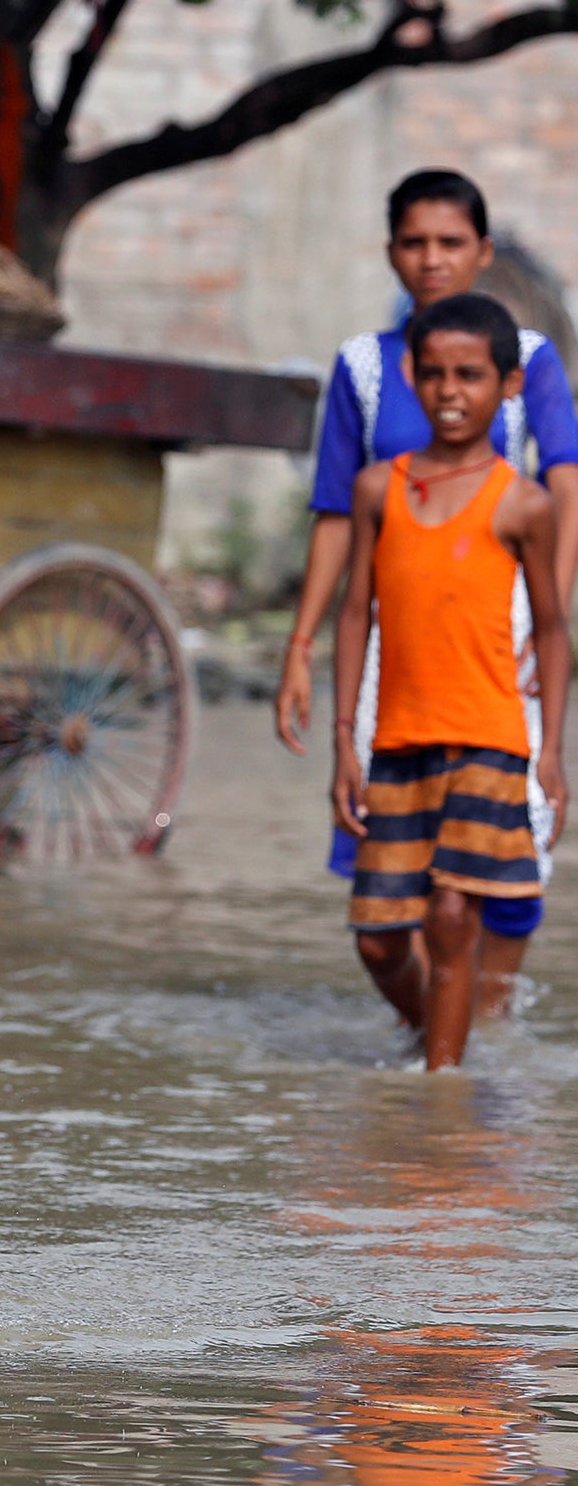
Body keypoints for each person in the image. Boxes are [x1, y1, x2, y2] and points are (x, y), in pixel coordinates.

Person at [277, 169, 578, 1019]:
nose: (432, 260)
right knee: (385, 853)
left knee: (501, 845)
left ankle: (484, 1028)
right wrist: (299, 650)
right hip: (391, 642)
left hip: (496, 629)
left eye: (450, 243)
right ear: (391, 253)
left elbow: (565, 484)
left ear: (483, 253)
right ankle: (434, 1035)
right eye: (415, 243)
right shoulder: (367, 369)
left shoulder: (526, 362)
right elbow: (338, 516)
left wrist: (545, 615)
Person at [332, 293, 569, 1070]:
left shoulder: (523, 503)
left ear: (507, 385)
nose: (450, 391)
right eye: (433, 374)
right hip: (397, 740)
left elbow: (552, 626)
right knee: (375, 934)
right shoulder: (378, 489)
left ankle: (442, 1091)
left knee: (454, 912)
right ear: (410, 376)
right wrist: (344, 741)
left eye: (470, 374)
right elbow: (355, 614)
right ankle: (436, 1029)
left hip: (489, 739)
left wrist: (552, 753)